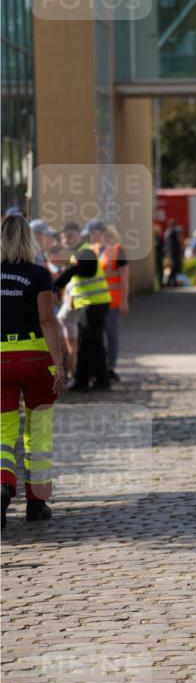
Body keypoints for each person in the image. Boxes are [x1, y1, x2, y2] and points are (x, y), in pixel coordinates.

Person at [1, 214, 65, 527]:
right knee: (38, 431)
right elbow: (47, 321)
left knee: (2, 431)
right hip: (35, 357)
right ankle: (36, 503)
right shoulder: (39, 275)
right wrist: (60, 364)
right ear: (28, 240)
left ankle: (2, 485)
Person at [52, 225, 112, 392]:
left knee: (93, 343)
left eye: (70, 236)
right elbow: (76, 274)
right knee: (85, 344)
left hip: (94, 304)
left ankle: (101, 380)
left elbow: (86, 270)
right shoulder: (78, 254)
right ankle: (82, 380)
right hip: (88, 304)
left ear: (79, 235)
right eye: (64, 237)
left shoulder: (85, 252)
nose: (67, 240)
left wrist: (58, 283)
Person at [93, 223, 129, 383]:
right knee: (97, 336)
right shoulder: (94, 250)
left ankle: (110, 367)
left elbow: (124, 278)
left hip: (112, 302)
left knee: (111, 335)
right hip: (95, 302)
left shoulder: (117, 251)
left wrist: (124, 301)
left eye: (105, 235)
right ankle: (99, 368)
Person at [165, 219, 182, 287]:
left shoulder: (167, 232)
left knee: (173, 267)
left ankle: (172, 281)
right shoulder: (173, 232)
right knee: (174, 267)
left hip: (170, 252)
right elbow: (179, 240)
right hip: (174, 253)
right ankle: (170, 281)